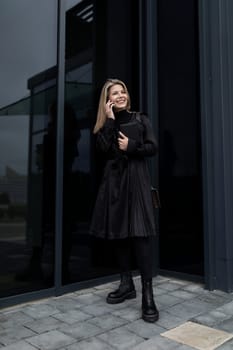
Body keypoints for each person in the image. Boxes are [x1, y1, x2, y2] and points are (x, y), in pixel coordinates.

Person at [90, 78, 159, 323]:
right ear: (107, 100)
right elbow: (102, 149)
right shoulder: (104, 125)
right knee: (119, 234)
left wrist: (132, 146)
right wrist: (109, 120)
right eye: (115, 93)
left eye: (123, 91)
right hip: (115, 184)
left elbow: (152, 147)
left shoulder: (140, 119)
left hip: (137, 181)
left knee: (141, 236)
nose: (120, 96)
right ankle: (126, 283)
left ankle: (147, 295)